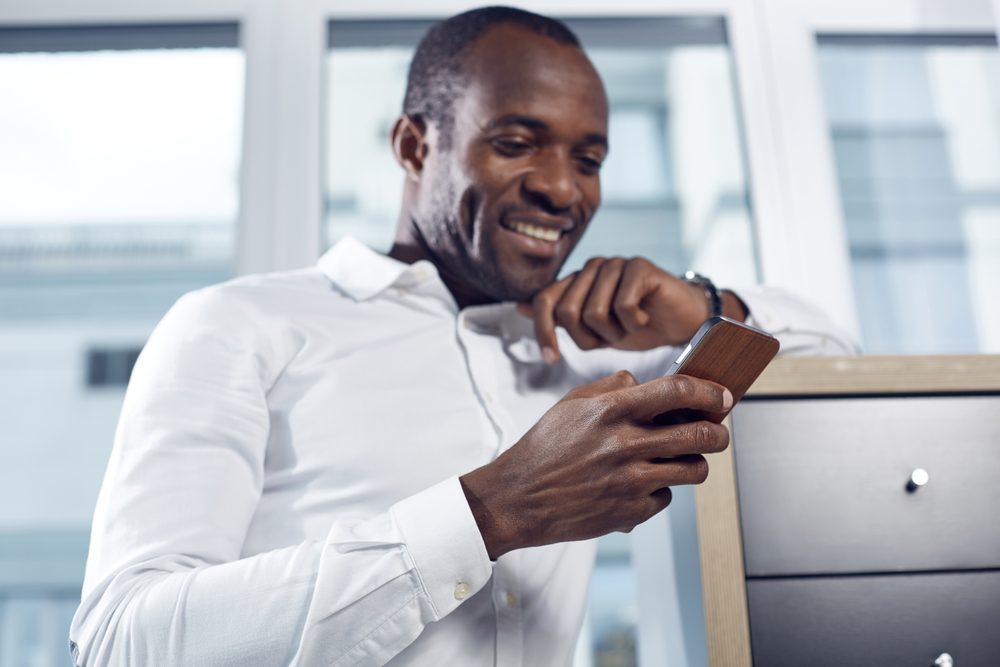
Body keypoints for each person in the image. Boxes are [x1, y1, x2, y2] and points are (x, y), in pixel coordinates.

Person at [70, 6, 856, 666]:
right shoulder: (239, 325)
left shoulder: (598, 354)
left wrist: (701, 305)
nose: (560, 186)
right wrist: (490, 511)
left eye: (589, 158)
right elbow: (119, 640)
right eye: (516, 142)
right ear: (415, 145)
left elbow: (848, 371)